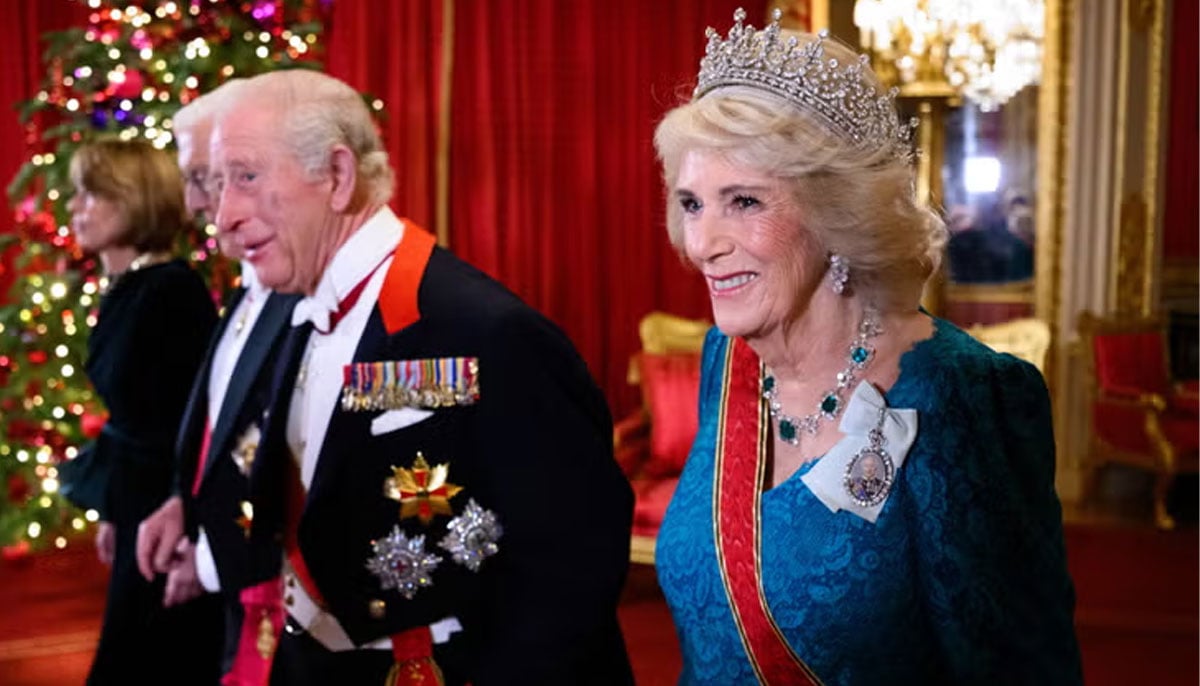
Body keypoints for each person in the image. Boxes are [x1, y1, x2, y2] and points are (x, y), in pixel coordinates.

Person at [651, 9, 1082, 685]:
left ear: (837, 215)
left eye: (744, 202)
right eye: (692, 202)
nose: (702, 242)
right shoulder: (726, 361)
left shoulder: (962, 396)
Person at [205, 68, 634, 685]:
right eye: (221, 184)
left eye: (246, 177)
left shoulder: (485, 330)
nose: (224, 217)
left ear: (337, 176)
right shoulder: (296, 309)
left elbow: (571, 565)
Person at [135, 79, 303, 683]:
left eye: (206, 177)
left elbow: (287, 461)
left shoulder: (298, 286)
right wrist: (185, 500)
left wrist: (207, 559)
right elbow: (223, 421)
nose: (197, 203)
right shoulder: (250, 283)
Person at [66, 138, 222, 685]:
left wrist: (188, 527)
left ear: (134, 200)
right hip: (137, 504)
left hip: (166, 515)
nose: (74, 207)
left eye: (92, 194)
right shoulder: (131, 287)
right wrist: (113, 509)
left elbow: (193, 422)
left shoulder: (171, 291)